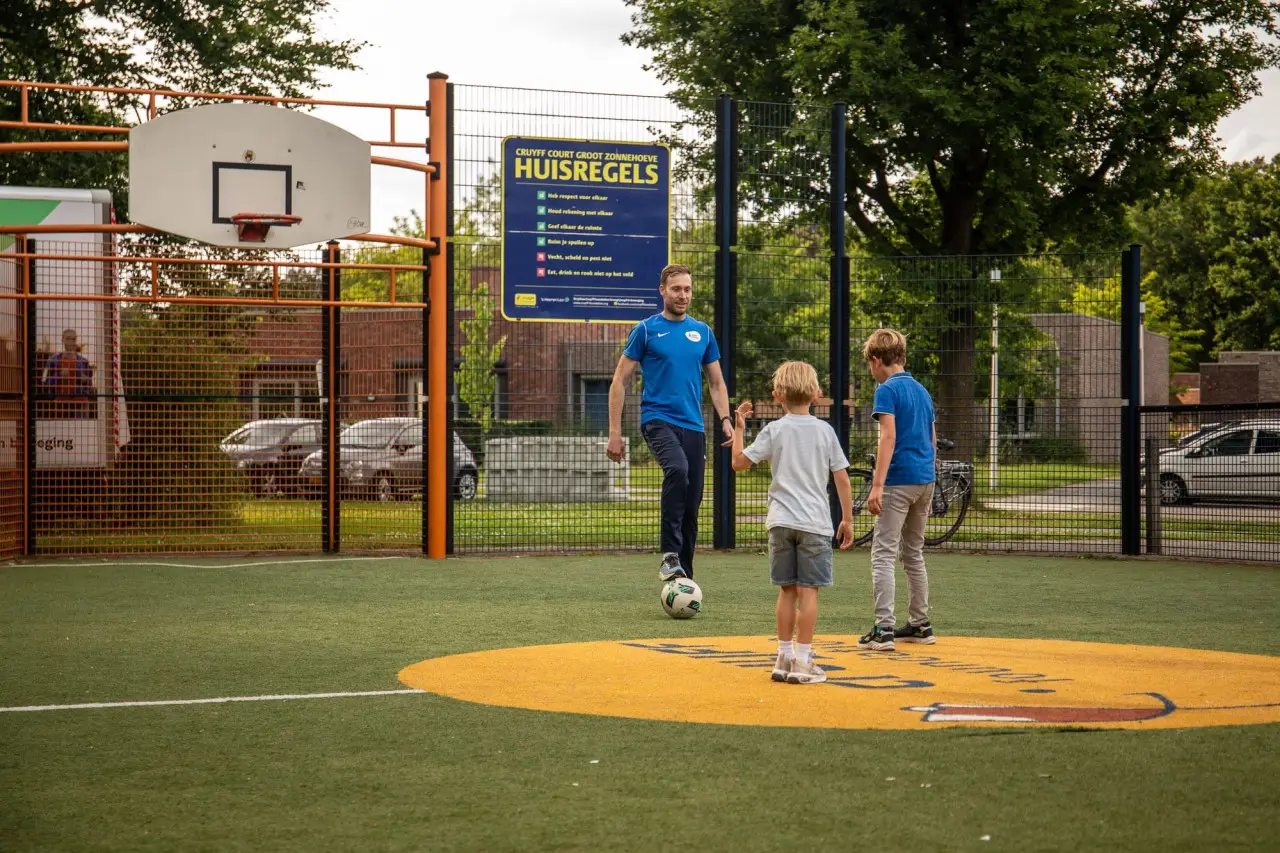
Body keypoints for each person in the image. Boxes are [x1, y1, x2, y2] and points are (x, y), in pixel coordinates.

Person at [607, 263, 733, 582]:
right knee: (677, 469)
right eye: (676, 289)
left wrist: (726, 419)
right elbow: (619, 381)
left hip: (694, 427)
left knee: (691, 504)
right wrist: (615, 433)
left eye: (687, 289)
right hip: (658, 420)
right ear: (662, 291)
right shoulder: (645, 330)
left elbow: (716, 382)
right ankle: (669, 555)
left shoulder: (703, 332)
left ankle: (683, 580)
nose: (683, 295)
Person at [731, 361, 854, 685]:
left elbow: (738, 463)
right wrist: (847, 519)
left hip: (780, 522)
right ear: (817, 393)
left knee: (787, 591)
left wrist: (740, 428)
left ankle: (783, 656)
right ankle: (803, 661)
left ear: (777, 395)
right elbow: (841, 478)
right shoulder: (825, 432)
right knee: (808, 591)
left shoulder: (774, 430)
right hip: (814, 523)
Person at [858, 329, 937, 652]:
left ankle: (884, 628)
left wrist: (877, 485)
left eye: (870, 364)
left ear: (877, 360)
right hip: (925, 479)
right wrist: (929, 476)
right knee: (913, 552)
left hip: (899, 480)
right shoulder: (922, 391)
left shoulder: (886, 390)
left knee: (884, 553)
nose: (871, 371)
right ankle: (920, 624)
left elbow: (888, 436)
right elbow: (932, 438)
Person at [43, 328, 93, 417]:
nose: (71, 342)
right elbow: (44, 381)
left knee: (82, 425)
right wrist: (59, 376)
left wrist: (86, 380)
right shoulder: (52, 360)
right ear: (62, 340)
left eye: (73, 339)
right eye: (68, 338)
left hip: (80, 403)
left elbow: (90, 383)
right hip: (61, 402)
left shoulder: (84, 361)